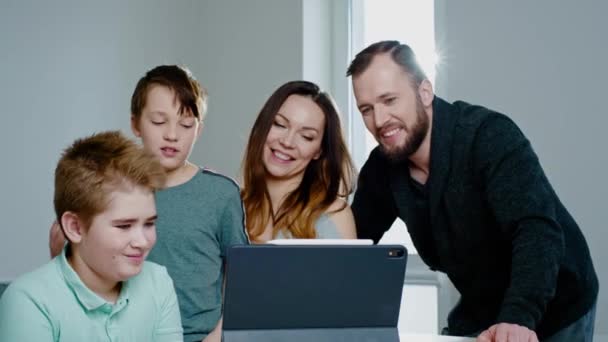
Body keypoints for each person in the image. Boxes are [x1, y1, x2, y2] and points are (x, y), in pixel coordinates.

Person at [348, 40, 598, 342]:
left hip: (557, 300)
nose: (379, 120)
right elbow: (353, 245)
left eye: (389, 100)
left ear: (425, 92)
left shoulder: (487, 135)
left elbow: (536, 231)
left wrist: (518, 318)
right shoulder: (382, 168)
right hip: (484, 304)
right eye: (366, 109)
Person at [49, 65, 249, 342]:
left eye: (186, 124)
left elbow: (243, 278)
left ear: (199, 130)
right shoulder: (110, 189)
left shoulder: (220, 194)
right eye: (158, 121)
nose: (172, 134)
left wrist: (217, 336)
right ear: (135, 124)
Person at [0, 131, 182, 341]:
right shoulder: (28, 300)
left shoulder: (158, 282)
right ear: (75, 228)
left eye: (149, 223)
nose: (142, 242)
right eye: (124, 226)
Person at [241, 80, 357, 242]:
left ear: (319, 151)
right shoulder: (229, 207)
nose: (287, 142)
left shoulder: (333, 214)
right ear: (263, 126)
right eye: (279, 124)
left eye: (306, 136)